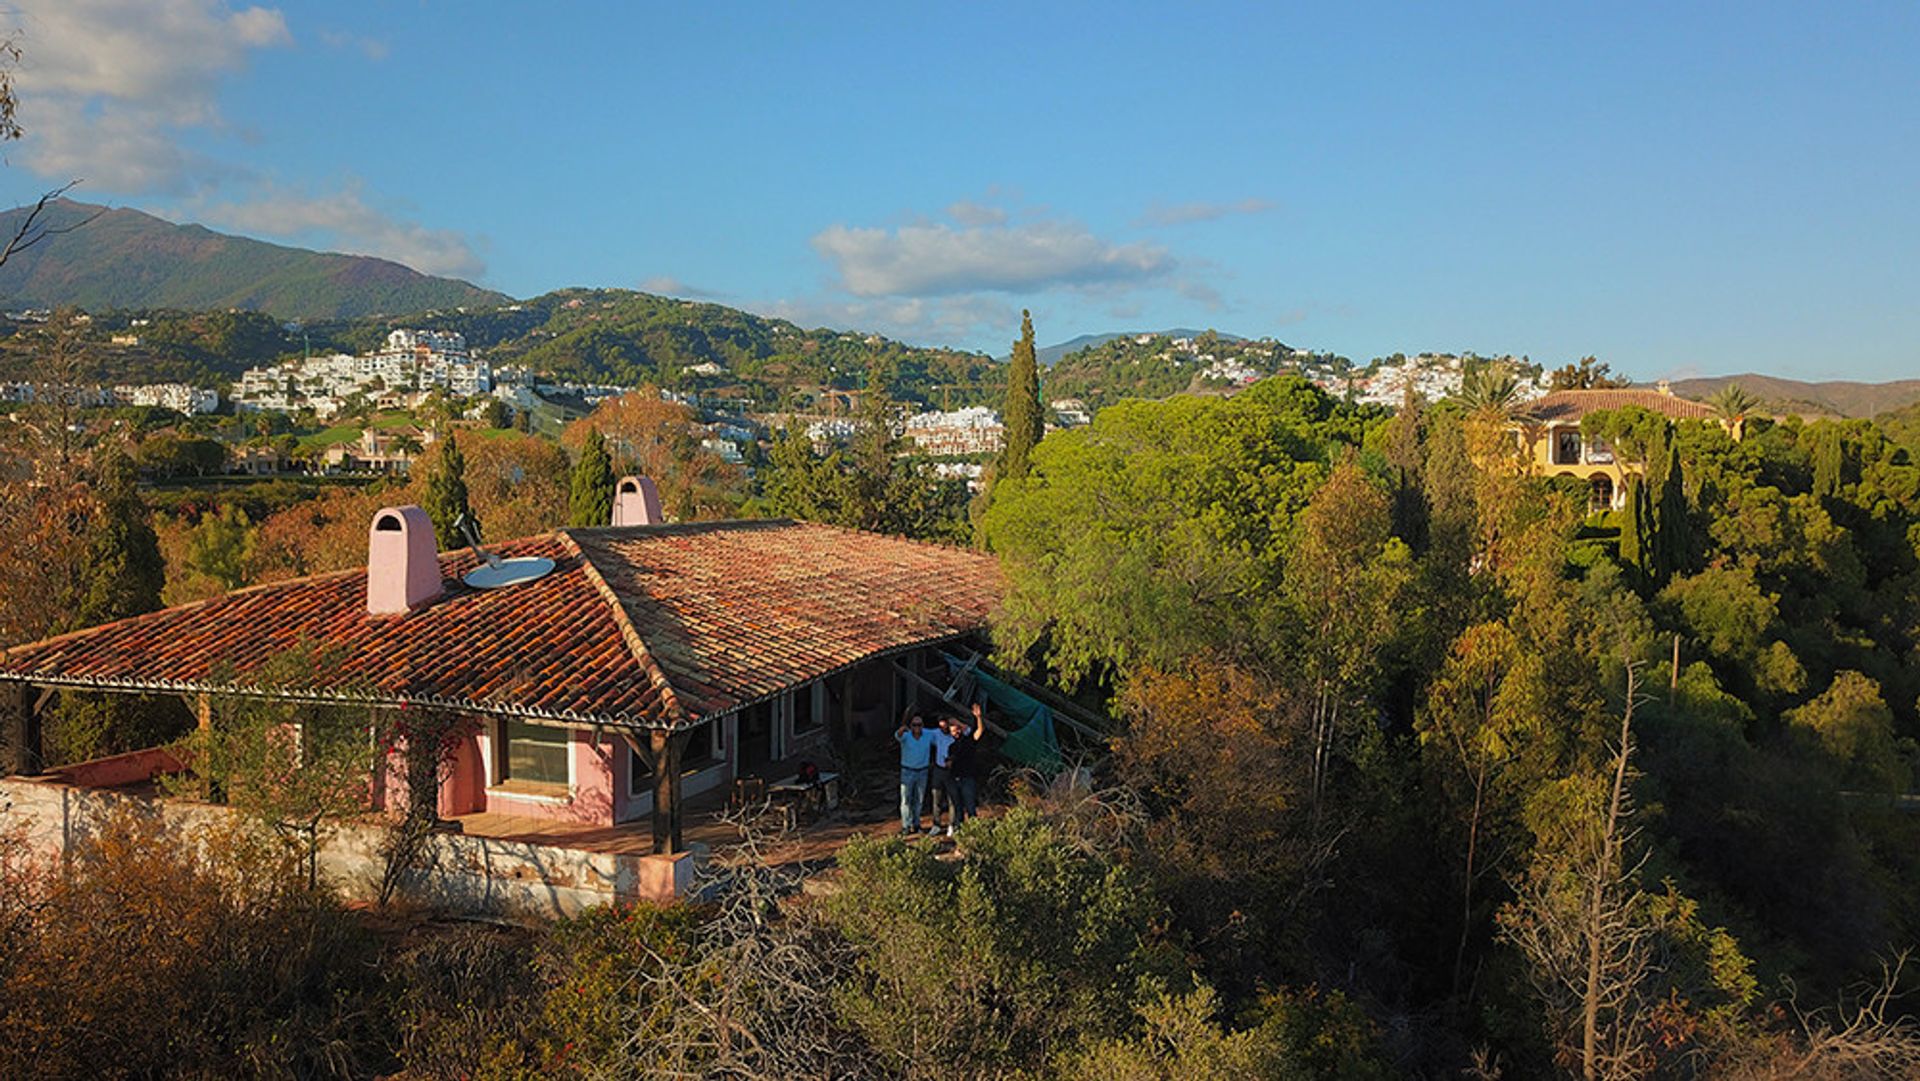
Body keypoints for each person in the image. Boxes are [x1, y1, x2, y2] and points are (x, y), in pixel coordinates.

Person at [943, 702, 986, 836]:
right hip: (954, 778)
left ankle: (974, 833)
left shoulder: (968, 740)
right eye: (953, 730)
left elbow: (980, 731)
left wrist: (978, 717)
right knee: (957, 808)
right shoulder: (951, 746)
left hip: (967, 778)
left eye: (957, 729)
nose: (955, 732)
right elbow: (949, 762)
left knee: (970, 807)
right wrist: (949, 763)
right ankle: (960, 833)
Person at [894, 709, 934, 836]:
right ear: (910, 726)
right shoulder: (906, 735)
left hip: (923, 771)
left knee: (919, 800)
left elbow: (942, 735)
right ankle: (906, 825)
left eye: (919, 725)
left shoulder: (928, 735)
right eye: (914, 725)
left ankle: (916, 824)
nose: (917, 727)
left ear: (923, 726)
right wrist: (902, 729)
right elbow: (897, 735)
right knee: (905, 799)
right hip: (907, 771)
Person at [927, 715, 957, 834]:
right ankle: (936, 824)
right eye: (941, 724)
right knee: (936, 798)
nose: (943, 727)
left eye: (946, 724)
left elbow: (969, 730)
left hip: (952, 770)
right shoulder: (936, 733)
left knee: (952, 799)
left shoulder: (955, 735)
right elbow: (921, 732)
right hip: (938, 769)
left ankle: (952, 825)